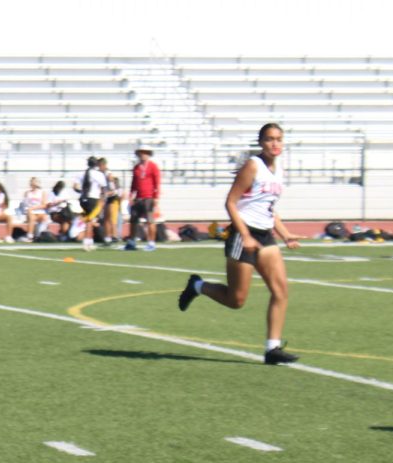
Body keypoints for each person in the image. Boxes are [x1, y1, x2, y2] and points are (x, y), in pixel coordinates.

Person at [178, 123, 301, 365]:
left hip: (265, 236)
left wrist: (285, 234)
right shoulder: (253, 166)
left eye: (278, 139)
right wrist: (245, 234)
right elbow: (231, 203)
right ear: (261, 142)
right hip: (242, 235)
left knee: (281, 292)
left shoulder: (279, 168)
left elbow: (267, 205)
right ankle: (198, 286)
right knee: (237, 300)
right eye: (269, 139)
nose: (274, 143)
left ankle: (272, 349)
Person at [128, 146, 161, 250]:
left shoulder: (153, 166)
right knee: (133, 220)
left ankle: (151, 243)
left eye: (145, 153)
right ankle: (132, 242)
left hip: (148, 197)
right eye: (141, 153)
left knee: (150, 221)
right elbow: (134, 183)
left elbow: (157, 182)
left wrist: (156, 197)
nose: (143, 155)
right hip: (138, 197)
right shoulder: (137, 167)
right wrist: (131, 195)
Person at [96, 158, 124, 247]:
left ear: (103, 165)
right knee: (106, 219)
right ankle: (107, 238)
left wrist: (106, 193)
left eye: (99, 166)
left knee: (112, 218)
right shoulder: (102, 174)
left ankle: (115, 236)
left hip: (113, 198)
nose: (98, 168)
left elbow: (114, 189)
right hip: (108, 197)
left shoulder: (109, 175)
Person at [22, 177, 48, 241]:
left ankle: (40, 235)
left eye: (35, 181)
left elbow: (44, 205)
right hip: (30, 211)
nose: (33, 183)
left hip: (39, 211)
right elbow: (25, 204)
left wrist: (33, 208)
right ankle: (30, 236)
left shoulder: (42, 192)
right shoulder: (27, 193)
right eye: (32, 181)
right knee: (32, 217)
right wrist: (29, 209)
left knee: (44, 217)